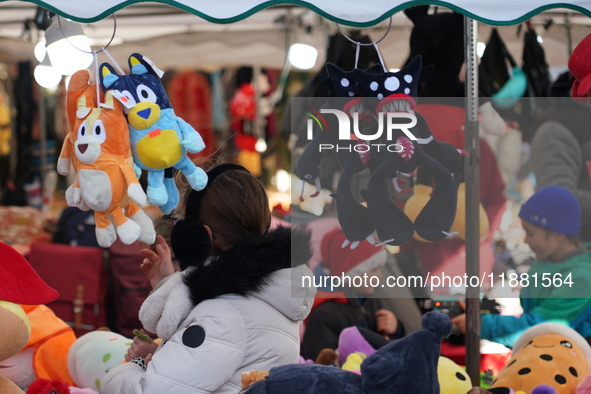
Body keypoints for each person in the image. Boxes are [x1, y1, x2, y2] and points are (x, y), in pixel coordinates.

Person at [101, 163, 316, 394]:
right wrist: (170, 286)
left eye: (179, 220)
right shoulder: (264, 296)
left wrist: (128, 369)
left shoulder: (224, 315)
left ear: (200, 234)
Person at [451, 185, 591, 348]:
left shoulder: (581, 279)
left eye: (530, 233)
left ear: (558, 234)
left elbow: (542, 330)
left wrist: (481, 324)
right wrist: (483, 310)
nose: (525, 240)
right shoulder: (547, 259)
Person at [300, 228, 404, 361]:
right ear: (351, 274)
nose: (380, 275)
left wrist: (395, 328)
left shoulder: (371, 301)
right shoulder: (323, 315)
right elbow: (321, 364)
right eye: (373, 269)